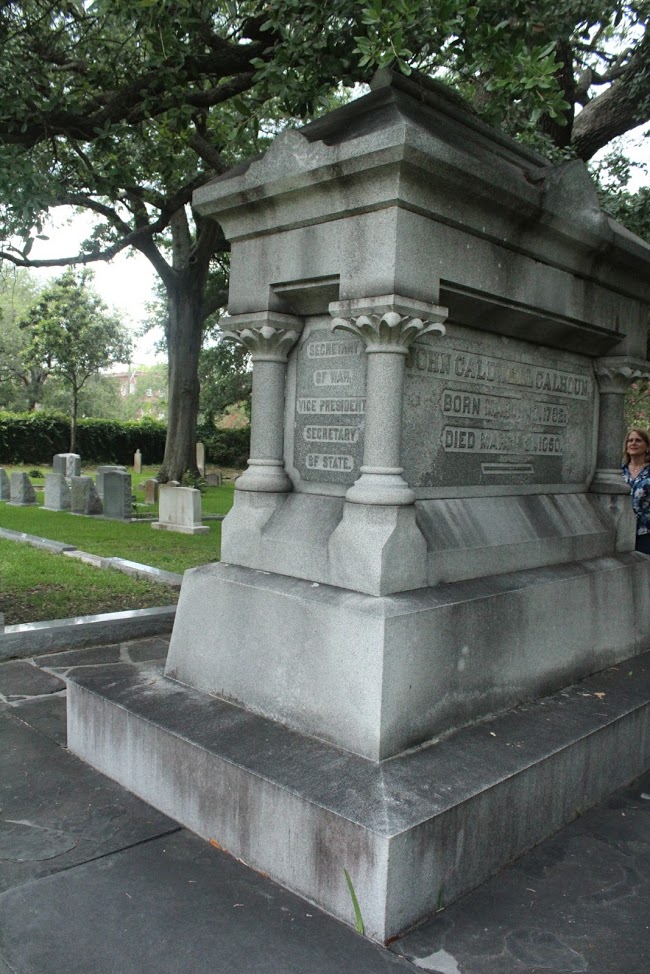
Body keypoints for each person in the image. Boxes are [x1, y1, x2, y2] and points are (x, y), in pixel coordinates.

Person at [621, 427, 650, 554]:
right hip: (620, 531)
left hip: (645, 532)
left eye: (638, 440)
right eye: (630, 440)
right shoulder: (618, 471)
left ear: (647, 447)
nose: (633, 443)